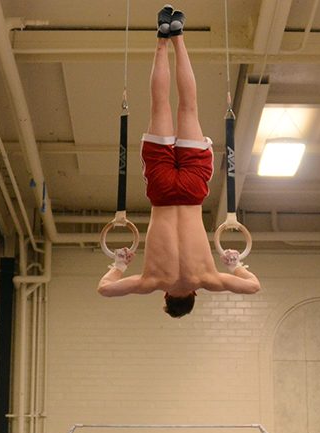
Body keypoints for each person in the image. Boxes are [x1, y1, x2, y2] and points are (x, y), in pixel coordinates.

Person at [97, 5, 260, 318]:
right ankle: (162, 38)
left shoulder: (207, 279)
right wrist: (118, 265)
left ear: (195, 295)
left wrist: (236, 265)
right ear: (166, 297)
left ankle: (179, 35)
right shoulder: (152, 281)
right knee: (160, 108)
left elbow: (253, 285)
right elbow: (104, 288)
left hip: (191, 193)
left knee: (189, 108)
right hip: (160, 193)